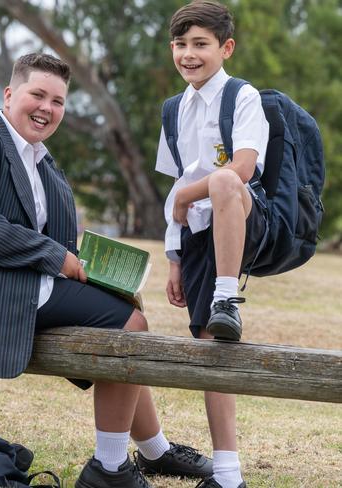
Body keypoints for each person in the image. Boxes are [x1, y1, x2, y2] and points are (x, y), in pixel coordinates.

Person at [0, 52, 212, 488]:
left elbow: (49, 233)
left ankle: (156, 452)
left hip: (25, 277)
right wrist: (55, 257)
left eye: (57, 101)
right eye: (37, 95)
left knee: (124, 307)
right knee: (130, 327)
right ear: (9, 94)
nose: (46, 108)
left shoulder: (41, 158)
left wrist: (89, 262)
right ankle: (110, 467)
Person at [156, 2, 270, 487]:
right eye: (181, 45)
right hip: (199, 235)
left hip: (248, 214)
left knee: (223, 181)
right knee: (209, 345)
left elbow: (242, 169)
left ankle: (229, 296)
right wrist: (175, 259)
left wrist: (186, 194)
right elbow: (175, 188)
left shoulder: (242, 96)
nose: (188, 54)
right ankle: (227, 474)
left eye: (200, 44)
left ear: (225, 48)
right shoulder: (173, 109)